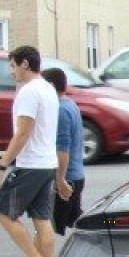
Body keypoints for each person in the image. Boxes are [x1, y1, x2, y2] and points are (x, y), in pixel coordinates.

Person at [0, 45, 59, 257]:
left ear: (25, 64)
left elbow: (22, 134)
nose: (11, 72)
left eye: (13, 65)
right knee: (42, 218)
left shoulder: (29, 92)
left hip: (30, 164)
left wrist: (1, 166)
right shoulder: (48, 89)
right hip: (47, 163)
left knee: (6, 215)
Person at [41, 67, 84, 236]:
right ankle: (108, 229)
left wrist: (60, 181)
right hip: (76, 177)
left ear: (51, 86)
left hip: (68, 179)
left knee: (46, 226)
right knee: (78, 222)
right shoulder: (69, 104)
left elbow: (62, 150)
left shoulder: (60, 110)